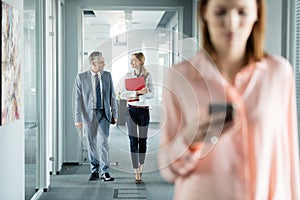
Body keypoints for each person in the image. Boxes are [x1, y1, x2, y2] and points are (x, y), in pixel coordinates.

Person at [158, 0, 300, 199]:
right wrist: (191, 140)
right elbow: (167, 169)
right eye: (221, 12)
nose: (232, 23)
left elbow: (288, 156)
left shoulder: (279, 73)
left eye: (242, 12)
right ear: (204, 12)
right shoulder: (179, 77)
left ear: (257, 13)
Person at [73, 51, 118, 181]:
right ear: (93, 63)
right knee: (91, 143)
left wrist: (115, 114)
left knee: (103, 142)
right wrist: (78, 119)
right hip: (88, 116)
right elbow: (78, 99)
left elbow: (112, 96)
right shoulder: (81, 78)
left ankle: (105, 171)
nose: (104, 64)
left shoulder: (107, 76)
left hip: (104, 114)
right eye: (101, 62)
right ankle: (94, 170)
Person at [122, 52, 154, 184]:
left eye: (134, 60)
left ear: (140, 61)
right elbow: (124, 93)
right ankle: (136, 170)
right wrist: (137, 92)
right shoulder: (128, 75)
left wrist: (143, 94)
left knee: (143, 140)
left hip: (144, 111)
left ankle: (141, 166)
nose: (131, 63)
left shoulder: (147, 76)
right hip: (131, 110)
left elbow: (152, 94)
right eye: (131, 61)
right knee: (133, 140)